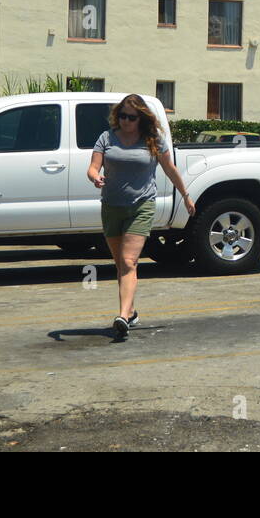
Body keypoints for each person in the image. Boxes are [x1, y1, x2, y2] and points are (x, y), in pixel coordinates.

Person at [87, 94, 194, 339]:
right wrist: (95, 176)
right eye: (122, 115)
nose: (125, 121)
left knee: (128, 261)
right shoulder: (107, 137)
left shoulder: (153, 139)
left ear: (140, 118)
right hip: (112, 206)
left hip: (141, 205)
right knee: (122, 265)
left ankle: (122, 317)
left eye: (131, 117)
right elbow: (93, 166)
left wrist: (186, 195)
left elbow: (170, 169)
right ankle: (131, 311)